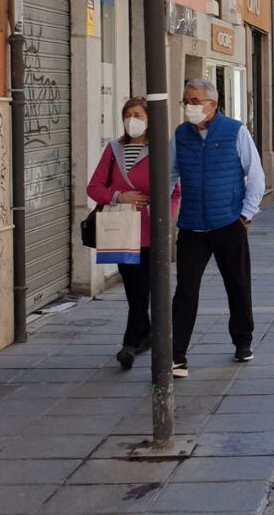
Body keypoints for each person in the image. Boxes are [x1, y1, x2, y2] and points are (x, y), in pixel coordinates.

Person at [169, 79, 266, 378]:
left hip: (228, 223)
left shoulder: (235, 131)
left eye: (195, 100)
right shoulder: (181, 135)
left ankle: (242, 342)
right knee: (185, 292)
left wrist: (245, 216)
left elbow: (256, 175)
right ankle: (176, 356)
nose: (190, 106)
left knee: (237, 285)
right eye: (186, 100)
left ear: (212, 103)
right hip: (192, 226)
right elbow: (170, 173)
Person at [87, 97, 181, 371]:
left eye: (138, 114)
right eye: (127, 114)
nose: (132, 119)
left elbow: (175, 192)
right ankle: (146, 334)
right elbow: (94, 188)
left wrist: (165, 220)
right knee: (133, 290)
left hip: (150, 231)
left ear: (149, 119)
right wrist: (119, 196)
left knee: (142, 291)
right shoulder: (114, 149)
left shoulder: (161, 151)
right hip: (120, 231)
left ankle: (129, 344)